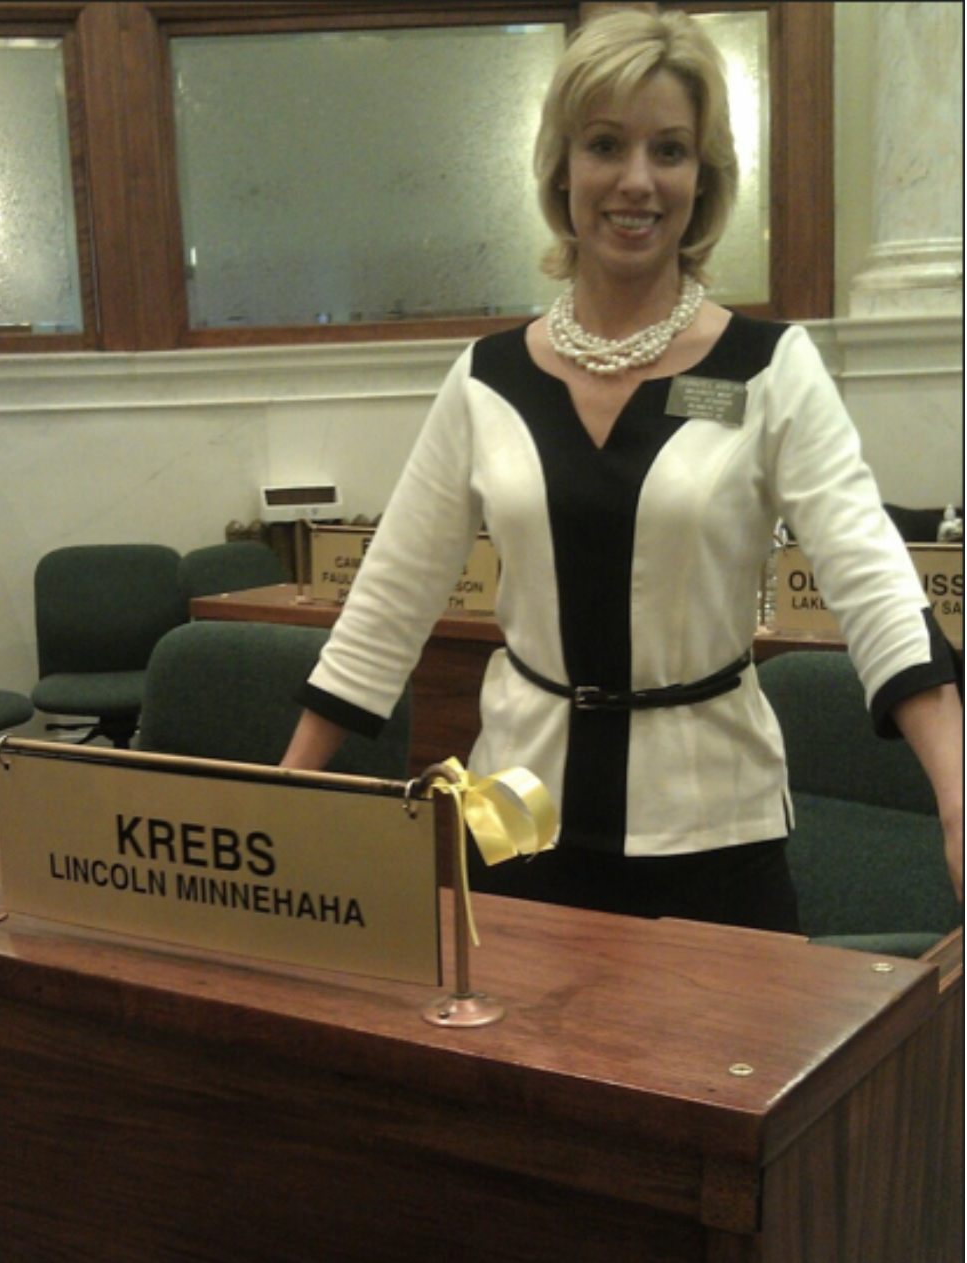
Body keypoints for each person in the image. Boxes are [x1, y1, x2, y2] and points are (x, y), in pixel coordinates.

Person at [282, 4, 963, 932]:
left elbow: (873, 580)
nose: (636, 181)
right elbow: (389, 600)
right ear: (563, 168)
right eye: (606, 144)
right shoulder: (487, 377)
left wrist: (958, 797)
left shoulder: (770, 368)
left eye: (669, 151)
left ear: (704, 175)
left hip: (715, 829)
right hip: (515, 814)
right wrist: (281, 798)